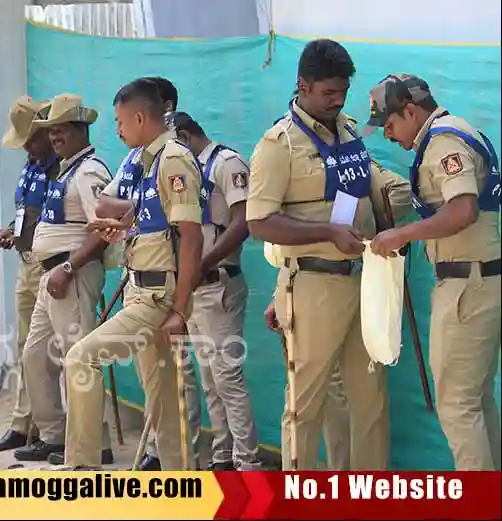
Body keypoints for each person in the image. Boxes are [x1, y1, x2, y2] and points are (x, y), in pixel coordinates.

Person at [246, 39, 412, 470]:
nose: (337, 101)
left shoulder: (350, 130)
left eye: (342, 92)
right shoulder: (277, 145)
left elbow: (371, 189)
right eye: (328, 93)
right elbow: (259, 222)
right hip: (314, 284)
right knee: (306, 404)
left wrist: (394, 224)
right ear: (302, 85)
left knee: (370, 402)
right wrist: (325, 232)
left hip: (365, 281)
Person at [366, 74, 501, 471]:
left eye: (389, 125)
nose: (388, 135)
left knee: (457, 405)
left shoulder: (443, 141)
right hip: (480, 279)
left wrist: (401, 234)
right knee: (475, 400)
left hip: (466, 285)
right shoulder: (454, 133)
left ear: (410, 110)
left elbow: (462, 209)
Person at [70, 79, 203, 470]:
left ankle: (82, 467)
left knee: (82, 359)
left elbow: (191, 238)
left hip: (158, 297)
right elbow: (149, 221)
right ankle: (181, 489)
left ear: (140, 117)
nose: (117, 130)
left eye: (119, 121)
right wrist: (125, 228)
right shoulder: (145, 161)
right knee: (163, 404)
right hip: (141, 289)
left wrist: (179, 310)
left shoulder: (172, 158)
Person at [12, 93, 114, 467]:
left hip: (72, 275)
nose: (55, 137)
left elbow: (104, 230)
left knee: (79, 359)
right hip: (51, 275)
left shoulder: (89, 172)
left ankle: (93, 442)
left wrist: (69, 268)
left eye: (62, 130)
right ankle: (55, 435)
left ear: (80, 129)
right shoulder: (66, 169)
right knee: (35, 355)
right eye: (51, 131)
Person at [168, 113, 261, 470]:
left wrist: (202, 263)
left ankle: (247, 462)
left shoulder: (226, 163)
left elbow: (244, 223)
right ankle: (223, 455)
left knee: (227, 377)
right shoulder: (185, 172)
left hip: (218, 282)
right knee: (209, 380)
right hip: (194, 289)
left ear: (185, 135)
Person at [0, 95, 56, 452]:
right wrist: (11, 230)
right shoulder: (31, 165)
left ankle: (50, 430)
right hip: (26, 262)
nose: (26, 146)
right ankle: (23, 422)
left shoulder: (62, 166)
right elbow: (28, 213)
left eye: (31, 138)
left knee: (48, 352)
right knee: (25, 347)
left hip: (52, 268)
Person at [263, 297, 351, 469]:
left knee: (301, 400)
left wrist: (279, 295)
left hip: (312, 294)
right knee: (332, 391)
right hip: (319, 294)